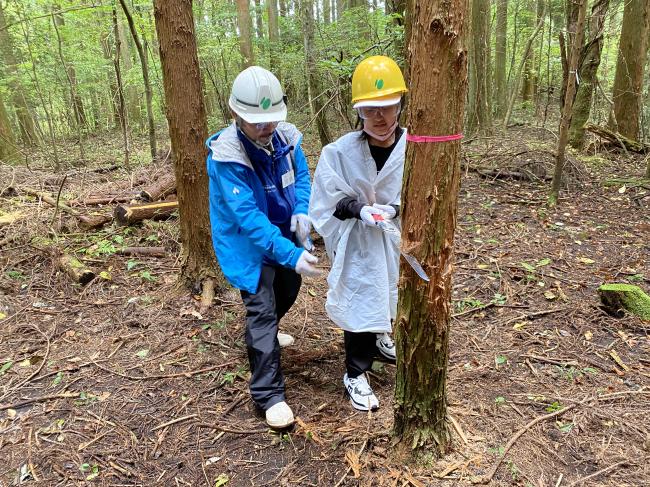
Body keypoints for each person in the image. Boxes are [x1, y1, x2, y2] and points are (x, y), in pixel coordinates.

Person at [206, 66, 319, 429]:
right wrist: (290, 254)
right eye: (257, 122)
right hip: (247, 246)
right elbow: (248, 219)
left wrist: (302, 212)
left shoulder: (286, 139)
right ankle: (268, 395)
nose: (265, 127)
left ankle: (264, 337)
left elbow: (301, 176)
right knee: (262, 309)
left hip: (283, 234)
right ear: (236, 115)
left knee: (289, 287)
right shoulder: (227, 157)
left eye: (269, 120)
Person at [309, 55, 408, 411]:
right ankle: (355, 371)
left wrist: (393, 210)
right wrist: (359, 209)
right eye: (370, 111)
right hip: (356, 241)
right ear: (359, 112)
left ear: (399, 104)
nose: (380, 119)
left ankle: (381, 338)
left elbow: (422, 193)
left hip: (395, 239)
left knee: (389, 291)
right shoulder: (339, 152)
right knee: (359, 298)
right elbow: (326, 199)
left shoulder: (413, 147)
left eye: (387, 108)